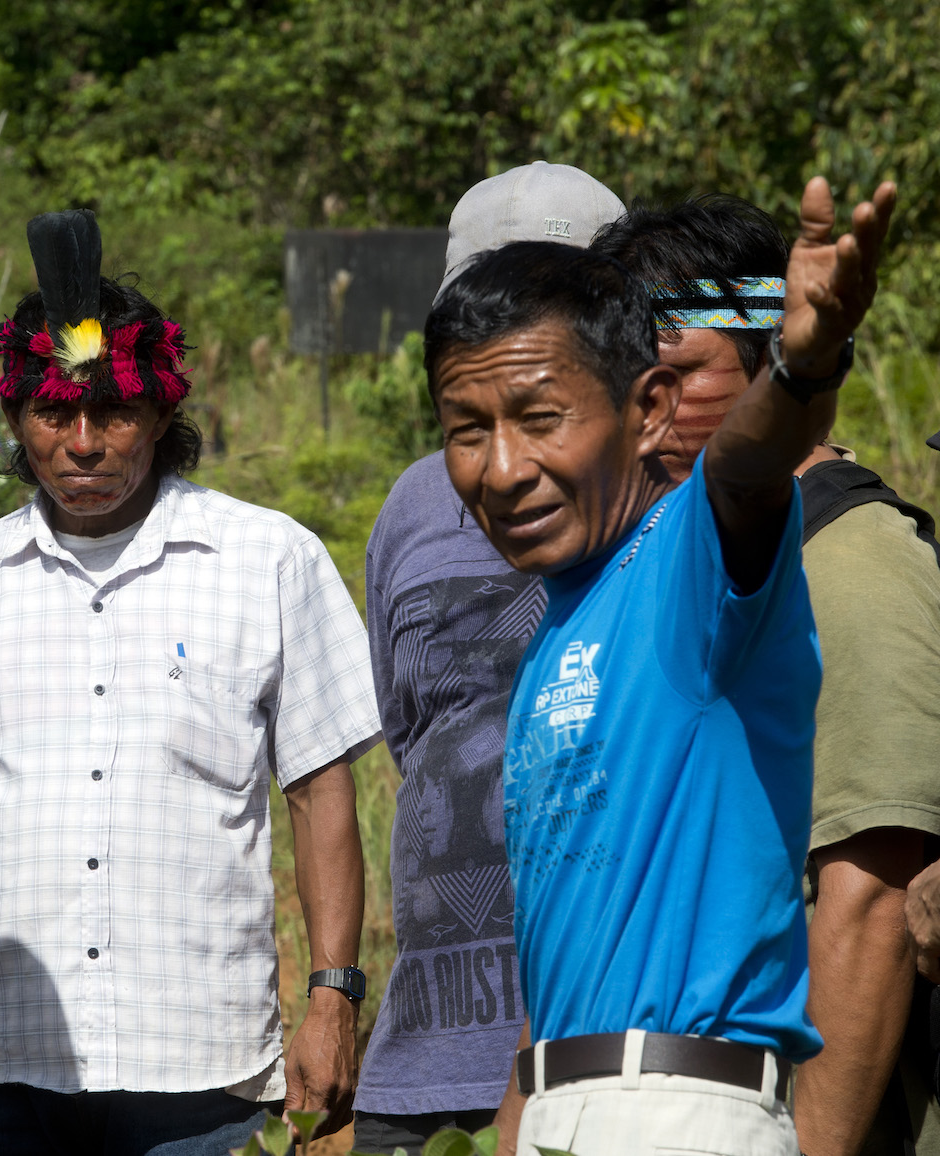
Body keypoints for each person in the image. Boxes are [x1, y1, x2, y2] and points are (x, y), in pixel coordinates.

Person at [430, 175, 896, 1156]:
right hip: (571, 1101)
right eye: (466, 430)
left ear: (648, 410)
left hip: (678, 1113)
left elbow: (744, 466)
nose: (502, 467)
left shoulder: (688, 557)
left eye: (539, 416)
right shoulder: (562, 619)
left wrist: (802, 368)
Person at [0, 209, 382, 1156]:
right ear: (14, 417)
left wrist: (333, 998)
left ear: (162, 414)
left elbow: (322, 794)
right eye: (54, 413)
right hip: (8, 1068)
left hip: (203, 1073)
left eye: (114, 413)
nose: (84, 443)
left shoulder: (268, 561)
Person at [593, 195, 940, 1156]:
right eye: (628, 383)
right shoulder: (678, 569)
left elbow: (871, 895)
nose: (649, 414)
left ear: (773, 360)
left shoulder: (849, 558)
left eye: (681, 374)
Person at [354, 161, 624, 1156]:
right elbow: (412, 729)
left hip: (592, 1056)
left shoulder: (669, 503)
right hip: (418, 1055)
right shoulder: (413, 504)